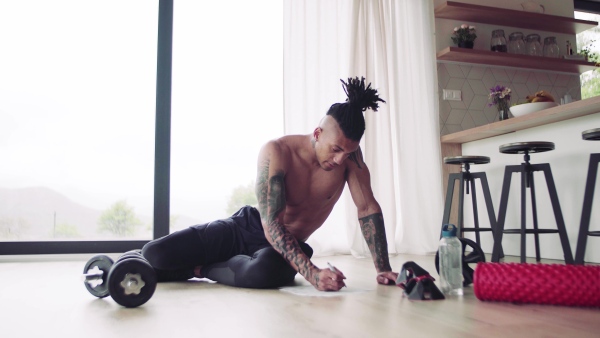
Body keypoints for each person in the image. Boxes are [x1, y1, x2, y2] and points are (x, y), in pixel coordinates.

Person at [142, 76, 398, 291]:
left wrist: (383, 268)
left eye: (348, 151)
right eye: (336, 149)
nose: (340, 158)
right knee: (155, 254)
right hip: (246, 228)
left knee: (262, 273)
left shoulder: (350, 158)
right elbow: (272, 223)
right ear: (318, 133)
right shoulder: (277, 151)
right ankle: (199, 262)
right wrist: (312, 274)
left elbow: (367, 208)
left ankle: (200, 268)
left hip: (287, 248)